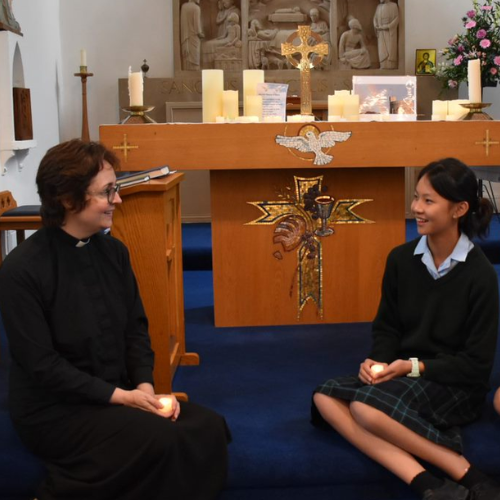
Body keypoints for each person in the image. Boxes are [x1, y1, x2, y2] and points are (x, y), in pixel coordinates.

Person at [0, 139, 231, 500]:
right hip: (55, 410)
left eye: (116, 189)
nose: (118, 200)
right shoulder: (22, 269)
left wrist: (143, 387)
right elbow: (41, 365)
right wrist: (119, 397)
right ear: (67, 199)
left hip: (119, 392)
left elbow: (135, 330)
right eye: (107, 192)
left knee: (208, 427)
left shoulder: (114, 252)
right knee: (159, 438)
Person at [312, 158, 500, 500]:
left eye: (429, 201)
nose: (416, 208)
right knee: (325, 396)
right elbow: (387, 327)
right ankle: (431, 486)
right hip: (404, 374)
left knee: (363, 408)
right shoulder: (400, 259)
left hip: (453, 384)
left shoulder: (481, 275)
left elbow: (476, 365)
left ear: (460, 208)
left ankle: (465, 472)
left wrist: (413, 367)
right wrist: (376, 362)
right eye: (416, 197)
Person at [373, 0, 399, 69]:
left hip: (390, 31)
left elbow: (397, 18)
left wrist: (388, 26)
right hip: (381, 31)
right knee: (382, 49)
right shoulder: (379, 7)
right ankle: (383, 65)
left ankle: (391, 65)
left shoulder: (394, 5)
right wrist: (376, 25)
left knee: (390, 48)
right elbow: (375, 17)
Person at [180, 0, 204, 70]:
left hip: (185, 37)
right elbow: (197, 27)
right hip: (194, 37)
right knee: (195, 59)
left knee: (187, 57)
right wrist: (201, 34)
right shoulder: (196, 8)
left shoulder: (184, 7)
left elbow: (183, 24)